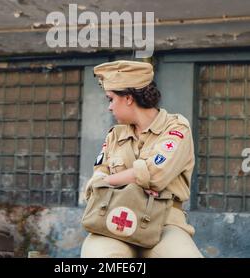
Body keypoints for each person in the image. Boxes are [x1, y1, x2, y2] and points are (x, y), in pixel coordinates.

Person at [81, 60, 203, 258]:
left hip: (164, 221)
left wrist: (110, 180)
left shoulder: (176, 128)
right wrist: (130, 178)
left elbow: (153, 174)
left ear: (128, 98)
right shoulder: (115, 135)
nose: (109, 107)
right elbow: (95, 182)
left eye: (110, 99)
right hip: (111, 219)